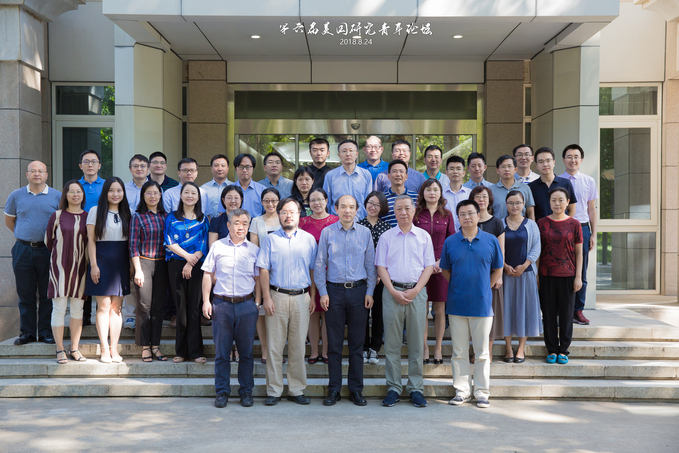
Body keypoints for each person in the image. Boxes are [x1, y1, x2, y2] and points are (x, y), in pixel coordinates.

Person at [315, 194, 377, 406]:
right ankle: (334, 389)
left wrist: (370, 291)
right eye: (343, 206)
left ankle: (356, 390)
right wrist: (323, 292)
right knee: (334, 345)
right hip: (334, 292)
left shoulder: (365, 233)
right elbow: (320, 263)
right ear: (336, 209)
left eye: (351, 207)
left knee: (357, 345)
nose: (347, 210)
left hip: (359, 292)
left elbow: (370, 265)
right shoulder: (327, 232)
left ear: (357, 210)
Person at [442, 200, 503, 409]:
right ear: (458, 218)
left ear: (478, 215)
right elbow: (445, 270)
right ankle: (462, 391)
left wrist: (485, 287)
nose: (466, 217)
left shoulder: (491, 240)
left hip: (482, 305)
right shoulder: (450, 241)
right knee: (459, 351)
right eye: (462, 214)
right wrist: (459, 285)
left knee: (482, 352)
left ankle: (482, 392)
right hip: (456, 304)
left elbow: (498, 268)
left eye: (470, 213)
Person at [257, 198, 318, 406]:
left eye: (292, 211)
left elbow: (313, 270)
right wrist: (266, 298)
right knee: (274, 346)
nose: (288, 215)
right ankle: (274, 390)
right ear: (279, 215)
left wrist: (312, 296)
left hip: (302, 297)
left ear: (299, 214)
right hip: (277, 297)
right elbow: (263, 270)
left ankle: (296, 389)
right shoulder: (270, 240)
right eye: (284, 211)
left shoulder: (309, 240)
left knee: (298, 346)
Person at [376, 195, 435, 408]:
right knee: (392, 344)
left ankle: (416, 388)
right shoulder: (386, 237)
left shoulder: (423, 236)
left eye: (407, 208)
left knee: (416, 343)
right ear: (394, 211)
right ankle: (393, 388)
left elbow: (429, 266)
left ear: (414, 210)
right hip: (392, 292)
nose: (403, 212)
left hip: (417, 293)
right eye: (399, 209)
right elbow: (381, 267)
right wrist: (392, 291)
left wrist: (416, 290)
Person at [202, 209, 260, 408]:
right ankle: (222, 392)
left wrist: (257, 303)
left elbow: (258, 278)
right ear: (228, 225)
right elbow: (207, 274)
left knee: (246, 353)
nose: (240, 227)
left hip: (246, 306)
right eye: (236, 223)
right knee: (222, 353)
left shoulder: (254, 250)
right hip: (222, 305)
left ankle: (246, 392)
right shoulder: (217, 246)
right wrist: (206, 301)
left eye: (244, 223)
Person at [4, 161, 61, 345]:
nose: (37, 174)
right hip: (23, 250)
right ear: (27, 174)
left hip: (47, 250)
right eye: (33, 171)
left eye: (41, 171)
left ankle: (45, 332)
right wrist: (25, 235)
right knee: (25, 293)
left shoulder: (57, 196)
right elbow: (9, 220)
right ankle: (27, 333)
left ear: (46, 175)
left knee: (46, 293)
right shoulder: (16, 196)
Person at [85, 177, 132, 363]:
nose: (115, 194)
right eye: (111, 190)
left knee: (117, 308)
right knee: (103, 306)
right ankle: (104, 348)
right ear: (105, 192)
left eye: (119, 190)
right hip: (101, 261)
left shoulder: (128, 212)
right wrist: (94, 265)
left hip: (121, 263)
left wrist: (131, 266)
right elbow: (91, 241)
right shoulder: (95, 211)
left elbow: (131, 242)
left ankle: (114, 348)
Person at [165, 182, 210, 364]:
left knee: (194, 308)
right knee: (181, 308)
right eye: (187, 192)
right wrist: (187, 258)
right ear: (181, 195)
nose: (190, 196)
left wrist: (192, 261)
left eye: (194, 193)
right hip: (176, 264)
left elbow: (204, 243)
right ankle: (181, 351)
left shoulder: (203, 219)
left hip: (197, 266)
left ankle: (196, 351)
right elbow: (169, 241)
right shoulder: (171, 217)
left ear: (198, 197)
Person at [537, 187, 583, 365]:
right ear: (549, 202)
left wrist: (578, 276)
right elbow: (538, 251)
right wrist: (537, 275)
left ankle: (563, 349)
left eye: (561, 200)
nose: (557, 203)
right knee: (548, 314)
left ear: (567, 202)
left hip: (568, 275)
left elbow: (579, 253)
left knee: (566, 314)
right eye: (553, 200)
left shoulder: (575, 224)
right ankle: (551, 349)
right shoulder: (541, 223)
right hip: (546, 274)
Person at [45, 180, 89, 363]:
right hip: (60, 269)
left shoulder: (88, 217)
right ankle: (60, 349)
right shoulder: (57, 215)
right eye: (71, 191)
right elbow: (48, 241)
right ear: (66, 195)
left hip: (80, 269)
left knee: (78, 310)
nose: (75, 194)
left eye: (78, 191)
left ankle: (74, 349)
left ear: (83, 195)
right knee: (59, 309)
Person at [413, 179, 455, 365]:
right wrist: (424, 264)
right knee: (421, 309)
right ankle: (424, 347)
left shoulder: (447, 215)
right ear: (423, 193)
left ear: (440, 193)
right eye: (428, 189)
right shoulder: (416, 214)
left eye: (435, 189)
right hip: (419, 267)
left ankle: (438, 346)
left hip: (440, 266)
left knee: (439, 309)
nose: (432, 192)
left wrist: (440, 262)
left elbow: (451, 241)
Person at [559, 144, 598, 326]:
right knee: (561, 269)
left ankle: (578, 310)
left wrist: (593, 234)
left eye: (576, 156)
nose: (572, 160)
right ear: (563, 160)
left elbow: (592, 209)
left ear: (581, 160)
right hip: (561, 228)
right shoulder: (557, 180)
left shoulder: (589, 181)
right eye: (569, 156)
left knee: (580, 271)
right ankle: (562, 310)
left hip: (582, 228)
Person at [130, 180, 169, 363]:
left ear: (160, 195)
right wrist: (137, 269)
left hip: (162, 265)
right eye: (149, 193)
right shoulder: (138, 217)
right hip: (144, 263)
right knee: (144, 306)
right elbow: (133, 245)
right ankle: (145, 346)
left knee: (158, 307)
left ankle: (156, 346)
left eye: (156, 193)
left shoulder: (166, 216)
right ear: (143, 195)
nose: (153, 196)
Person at [299, 188, 339, 364]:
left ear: (326, 201)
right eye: (312, 200)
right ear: (308, 203)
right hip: (309, 273)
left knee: (328, 315)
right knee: (313, 313)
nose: (316, 203)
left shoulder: (336, 221)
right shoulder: (302, 222)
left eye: (320, 199)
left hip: (332, 274)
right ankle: (314, 352)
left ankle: (326, 351)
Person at [502, 190, 541, 363]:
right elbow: (495, 248)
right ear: (506, 204)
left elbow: (537, 247)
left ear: (523, 204)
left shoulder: (531, 225)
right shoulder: (500, 223)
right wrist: (504, 266)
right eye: (511, 203)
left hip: (526, 274)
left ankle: (521, 348)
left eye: (518, 203)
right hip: (506, 275)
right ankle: (508, 347)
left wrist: (525, 265)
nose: (514, 206)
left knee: (524, 310)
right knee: (506, 310)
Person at [470, 186, 505, 363]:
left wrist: (499, 275)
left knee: (490, 314)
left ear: (489, 200)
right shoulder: (468, 221)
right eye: (477, 197)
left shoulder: (497, 223)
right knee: (472, 313)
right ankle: (474, 349)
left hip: (491, 274)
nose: (481, 200)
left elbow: (501, 251)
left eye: (484, 196)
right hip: (472, 275)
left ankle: (487, 350)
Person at [358, 191, 391, 365]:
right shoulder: (358, 225)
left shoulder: (387, 228)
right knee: (362, 313)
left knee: (378, 313)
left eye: (377, 204)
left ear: (382, 207)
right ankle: (363, 347)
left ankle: (374, 348)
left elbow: (388, 255)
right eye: (370, 203)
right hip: (361, 277)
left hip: (381, 278)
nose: (373, 207)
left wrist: (379, 274)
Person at [249, 188, 281, 364]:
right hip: (262, 270)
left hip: (281, 272)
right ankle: (265, 349)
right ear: (262, 202)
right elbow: (254, 249)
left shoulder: (284, 218)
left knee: (278, 312)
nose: (270, 204)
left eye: (274, 200)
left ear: (279, 201)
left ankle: (277, 350)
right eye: (267, 201)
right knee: (261, 311)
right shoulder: (256, 221)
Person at [78, 150, 105, 325]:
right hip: (79, 235)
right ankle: (84, 314)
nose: (90, 165)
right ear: (80, 165)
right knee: (82, 273)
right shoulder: (75, 186)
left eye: (93, 161)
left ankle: (101, 312)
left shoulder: (106, 185)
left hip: (101, 235)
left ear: (99, 165)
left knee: (99, 270)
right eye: (86, 162)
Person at [123, 154, 150, 330]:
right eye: (135, 166)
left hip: (149, 239)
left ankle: (147, 314)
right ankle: (131, 315)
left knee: (147, 279)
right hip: (127, 237)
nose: (139, 169)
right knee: (131, 275)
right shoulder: (123, 189)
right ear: (130, 169)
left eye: (142, 166)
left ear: (148, 169)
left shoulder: (154, 189)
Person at [323, 139, 373, 219]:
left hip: (360, 221)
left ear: (356, 154)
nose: (348, 154)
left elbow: (369, 202)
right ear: (339, 155)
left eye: (351, 150)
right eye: (344, 151)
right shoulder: (330, 176)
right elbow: (326, 203)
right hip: (336, 222)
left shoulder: (366, 175)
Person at [528, 147, 577, 221]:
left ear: (553, 163)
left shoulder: (566, 183)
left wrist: (565, 224)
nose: (545, 164)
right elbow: (530, 213)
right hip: (540, 227)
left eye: (548, 161)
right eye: (541, 162)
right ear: (537, 165)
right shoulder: (531, 187)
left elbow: (572, 208)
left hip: (562, 227)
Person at [490, 155, 536, 221]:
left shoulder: (525, 188)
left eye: (509, 166)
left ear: (515, 169)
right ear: (497, 170)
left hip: (521, 227)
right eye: (503, 167)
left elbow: (530, 212)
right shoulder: (491, 190)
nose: (506, 169)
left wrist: (532, 226)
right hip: (498, 227)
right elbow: (489, 213)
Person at [381, 160, 418, 228]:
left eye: (401, 171)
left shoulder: (416, 197)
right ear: (388, 176)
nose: (398, 174)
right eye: (394, 171)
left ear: (406, 177)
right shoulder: (381, 198)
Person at [441, 155, 472, 230]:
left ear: (464, 173)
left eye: (458, 169)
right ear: (446, 173)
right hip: (446, 233)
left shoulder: (470, 194)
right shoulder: (441, 194)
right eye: (452, 169)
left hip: (466, 232)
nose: (455, 172)